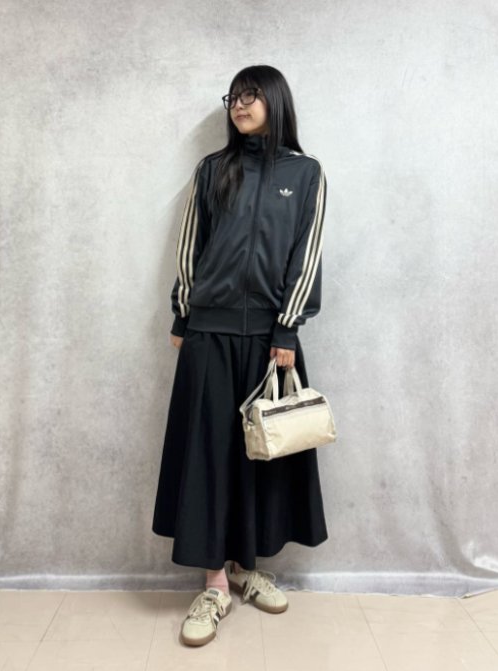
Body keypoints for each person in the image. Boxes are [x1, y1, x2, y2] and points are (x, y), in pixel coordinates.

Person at [152, 64, 329, 647]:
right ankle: (213, 585)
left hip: (271, 338)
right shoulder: (213, 169)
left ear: (276, 101)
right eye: (234, 96)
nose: (240, 104)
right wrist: (184, 315)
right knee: (209, 456)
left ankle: (246, 567)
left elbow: (307, 253)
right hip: (209, 332)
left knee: (260, 455)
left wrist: (287, 329)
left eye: (252, 95)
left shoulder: (306, 174)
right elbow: (190, 245)